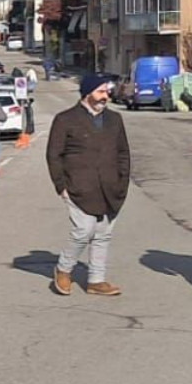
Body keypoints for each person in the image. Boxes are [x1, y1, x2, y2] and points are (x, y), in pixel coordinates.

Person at [45, 73, 130, 297]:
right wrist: (60, 185)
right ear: (87, 93)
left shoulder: (114, 120)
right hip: (78, 187)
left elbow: (123, 153)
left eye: (107, 92)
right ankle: (64, 269)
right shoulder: (66, 119)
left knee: (103, 234)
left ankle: (96, 281)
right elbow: (54, 155)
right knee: (83, 231)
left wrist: (122, 181)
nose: (106, 96)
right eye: (101, 91)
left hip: (110, 187)